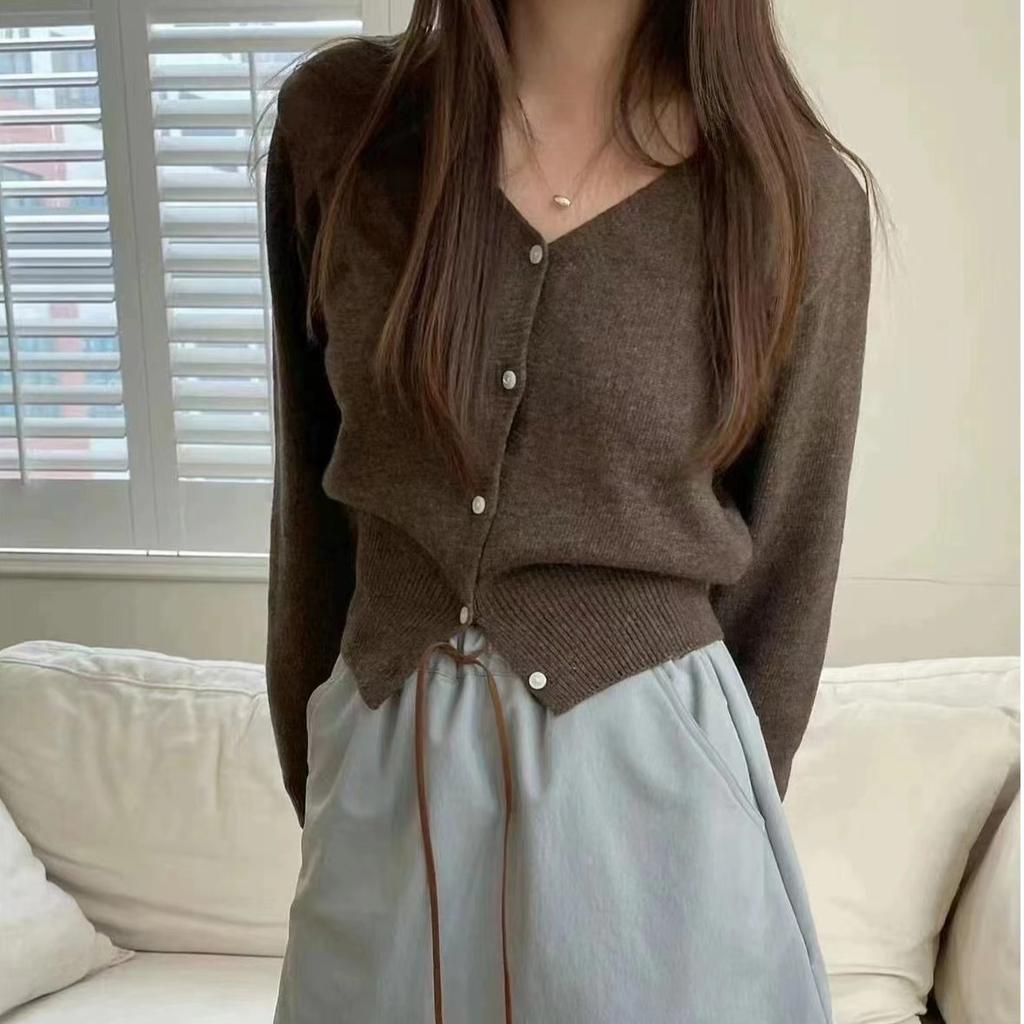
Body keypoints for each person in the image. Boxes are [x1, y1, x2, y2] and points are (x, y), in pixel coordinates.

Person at [263, 2, 878, 1021]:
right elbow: (311, 519)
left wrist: (709, 823)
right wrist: (331, 768)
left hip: (655, 799)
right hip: (382, 774)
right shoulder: (340, 127)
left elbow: (788, 574)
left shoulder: (796, 197)